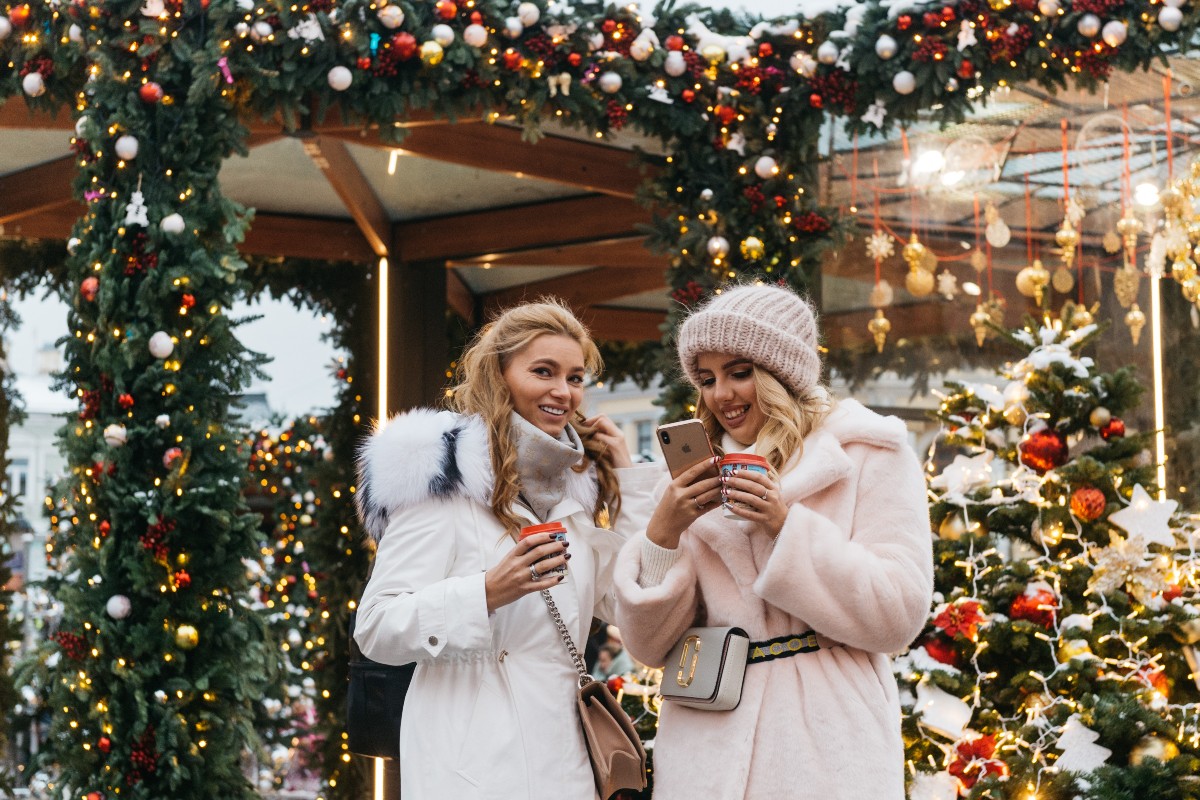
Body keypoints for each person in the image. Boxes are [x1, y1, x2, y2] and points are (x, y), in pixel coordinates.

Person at [612, 283, 934, 799]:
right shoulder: (688, 484)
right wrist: (663, 534)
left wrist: (786, 527)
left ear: (781, 373)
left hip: (828, 747)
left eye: (739, 372)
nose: (721, 394)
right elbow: (648, 647)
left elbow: (899, 612)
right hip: (706, 749)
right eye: (707, 379)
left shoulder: (869, 452)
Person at [353, 299, 658, 799]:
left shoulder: (573, 494)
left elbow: (629, 604)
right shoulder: (445, 484)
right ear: (499, 376)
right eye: (543, 371)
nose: (563, 391)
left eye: (575, 377)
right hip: (472, 769)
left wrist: (630, 479)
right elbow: (375, 626)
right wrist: (486, 592)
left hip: (564, 764)